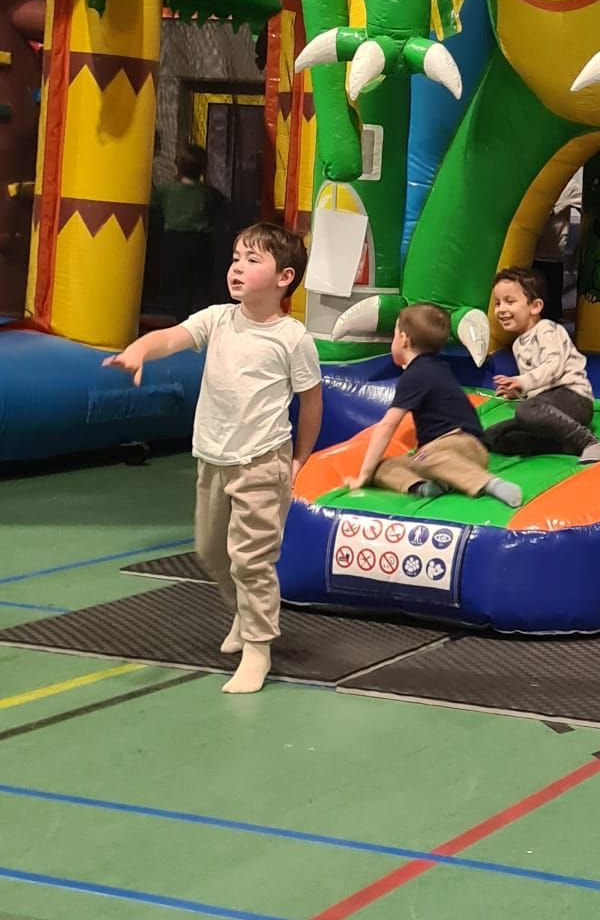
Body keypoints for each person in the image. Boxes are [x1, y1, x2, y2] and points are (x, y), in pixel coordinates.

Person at [104, 222, 323, 696]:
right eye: (235, 257)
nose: (237, 268)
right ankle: (243, 614)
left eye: (252, 260)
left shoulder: (292, 339)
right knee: (209, 551)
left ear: (284, 277)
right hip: (212, 457)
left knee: (251, 560)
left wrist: (300, 457)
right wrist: (140, 349)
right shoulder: (218, 319)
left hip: (261, 461)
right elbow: (171, 338)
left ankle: (258, 649)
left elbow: (311, 401)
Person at [346, 302, 522, 508]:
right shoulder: (437, 367)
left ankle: (489, 483)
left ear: (403, 339)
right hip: (451, 454)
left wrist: (363, 477)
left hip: (461, 445)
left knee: (424, 458)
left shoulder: (415, 374)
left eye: (394, 336)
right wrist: (372, 470)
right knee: (384, 467)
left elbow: (387, 425)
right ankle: (423, 487)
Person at [486, 266, 600, 463]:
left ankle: (588, 442)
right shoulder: (518, 344)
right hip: (547, 404)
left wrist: (522, 382)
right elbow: (537, 386)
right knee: (493, 435)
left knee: (526, 411)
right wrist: (517, 391)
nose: (501, 309)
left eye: (510, 301)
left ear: (535, 306)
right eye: (497, 303)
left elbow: (553, 367)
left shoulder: (547, 329)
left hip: (574, 399)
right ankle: (562, 444)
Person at [150, 145, 220, 318]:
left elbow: (154, 209)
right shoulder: (208, 193)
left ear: (178, 166)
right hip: (200, 241)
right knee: (198, 284)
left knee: (176, 283)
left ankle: (177, 315)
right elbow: (218, 210)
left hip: (173, 240)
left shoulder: (166, 191)